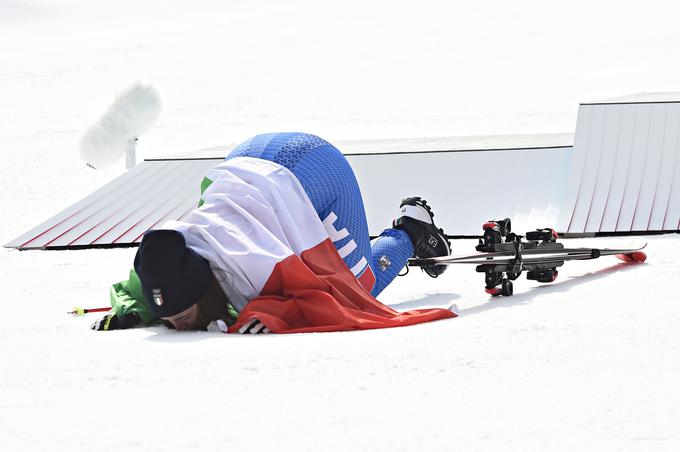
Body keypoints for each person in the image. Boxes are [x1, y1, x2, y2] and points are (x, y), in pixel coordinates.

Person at [92, 132, 455, 333]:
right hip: (248, 158)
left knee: (356, 287)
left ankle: (411, 230)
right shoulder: (169, 256)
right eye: (170, 320)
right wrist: (133, 310)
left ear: (204, 291)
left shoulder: (255, 265)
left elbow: (317, 296)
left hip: (313, 169)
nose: (177, 327)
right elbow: (138, 288)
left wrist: (270, 314)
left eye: (184, 319)